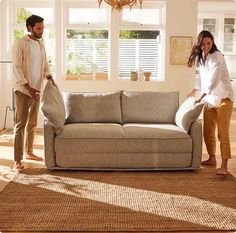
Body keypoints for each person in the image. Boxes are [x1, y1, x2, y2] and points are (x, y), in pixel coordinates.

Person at [187, 30, 234, 176]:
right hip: (210, 100)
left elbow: (213, 80)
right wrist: (194, 90)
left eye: (209, 43)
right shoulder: (202, 56)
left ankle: (224, 165)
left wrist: (201, 96)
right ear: (199, 43)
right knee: (207, 131)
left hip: (223, 99)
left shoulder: (217, 56)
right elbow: (202, 78)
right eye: (203, 43)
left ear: (212, 42)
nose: (206, 46)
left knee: (222, 132)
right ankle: (212, 158)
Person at [12, 14, 55, 170]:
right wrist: (28, 88)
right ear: (29, 28)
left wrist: (49, 76)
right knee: (20, 124)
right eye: (39, 28)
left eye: (42, 28)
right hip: (24, 91)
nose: (41, 31)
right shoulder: (20, 44)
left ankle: (29, 152)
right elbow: (16, 68)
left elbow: (44, 65)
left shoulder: (41, 44)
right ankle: (17, 159)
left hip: (37, 90)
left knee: (33, 123)